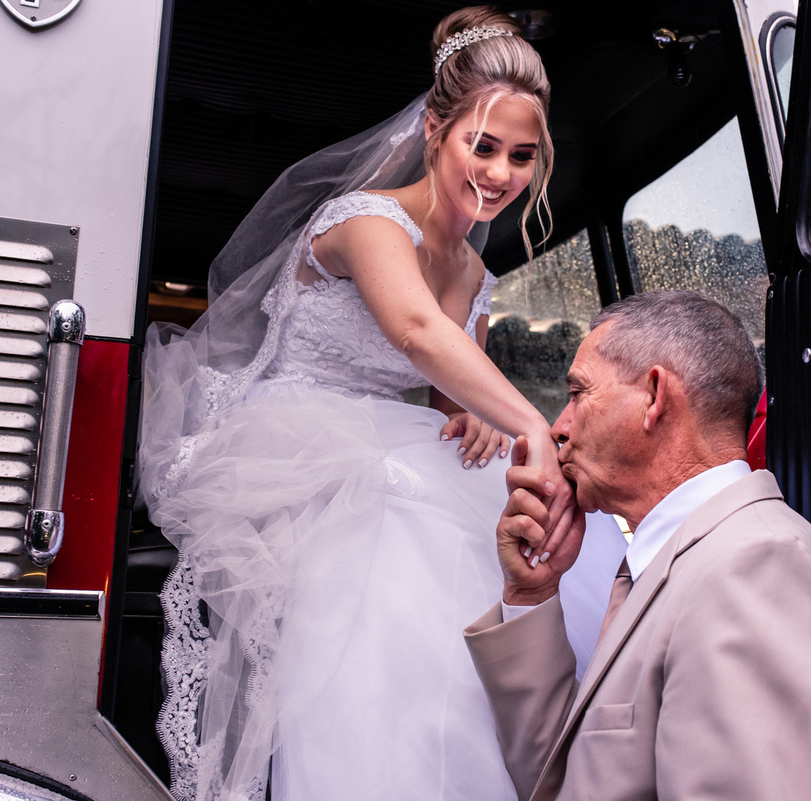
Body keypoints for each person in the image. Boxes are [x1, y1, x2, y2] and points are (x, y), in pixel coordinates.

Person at [136, 7, 584, 800]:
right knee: (394, 525)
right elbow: (415, 332)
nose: (502, 173)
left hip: (386, 437)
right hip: (294, 435)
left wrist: (477, 411)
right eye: (482, 147)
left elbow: (450, 384)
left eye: (520, 155)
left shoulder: (476, 275)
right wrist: (529, 423)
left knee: (490, 529)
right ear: (434, 132)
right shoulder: (364, 221)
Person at [465, 290, 811, 801]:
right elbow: (572, 785)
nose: (559, 427)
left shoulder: (752, 568)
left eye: (578, 394)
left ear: (654, 396)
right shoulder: (689, 563)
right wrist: (532, 593)